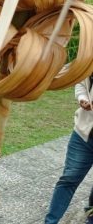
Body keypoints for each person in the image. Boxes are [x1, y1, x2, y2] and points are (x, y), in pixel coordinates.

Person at [45, 73, 93, 224]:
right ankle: (50, 222)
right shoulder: (89, 60)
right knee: (69, 179)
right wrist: (82, 98)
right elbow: (80, 81)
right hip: (83, 133)